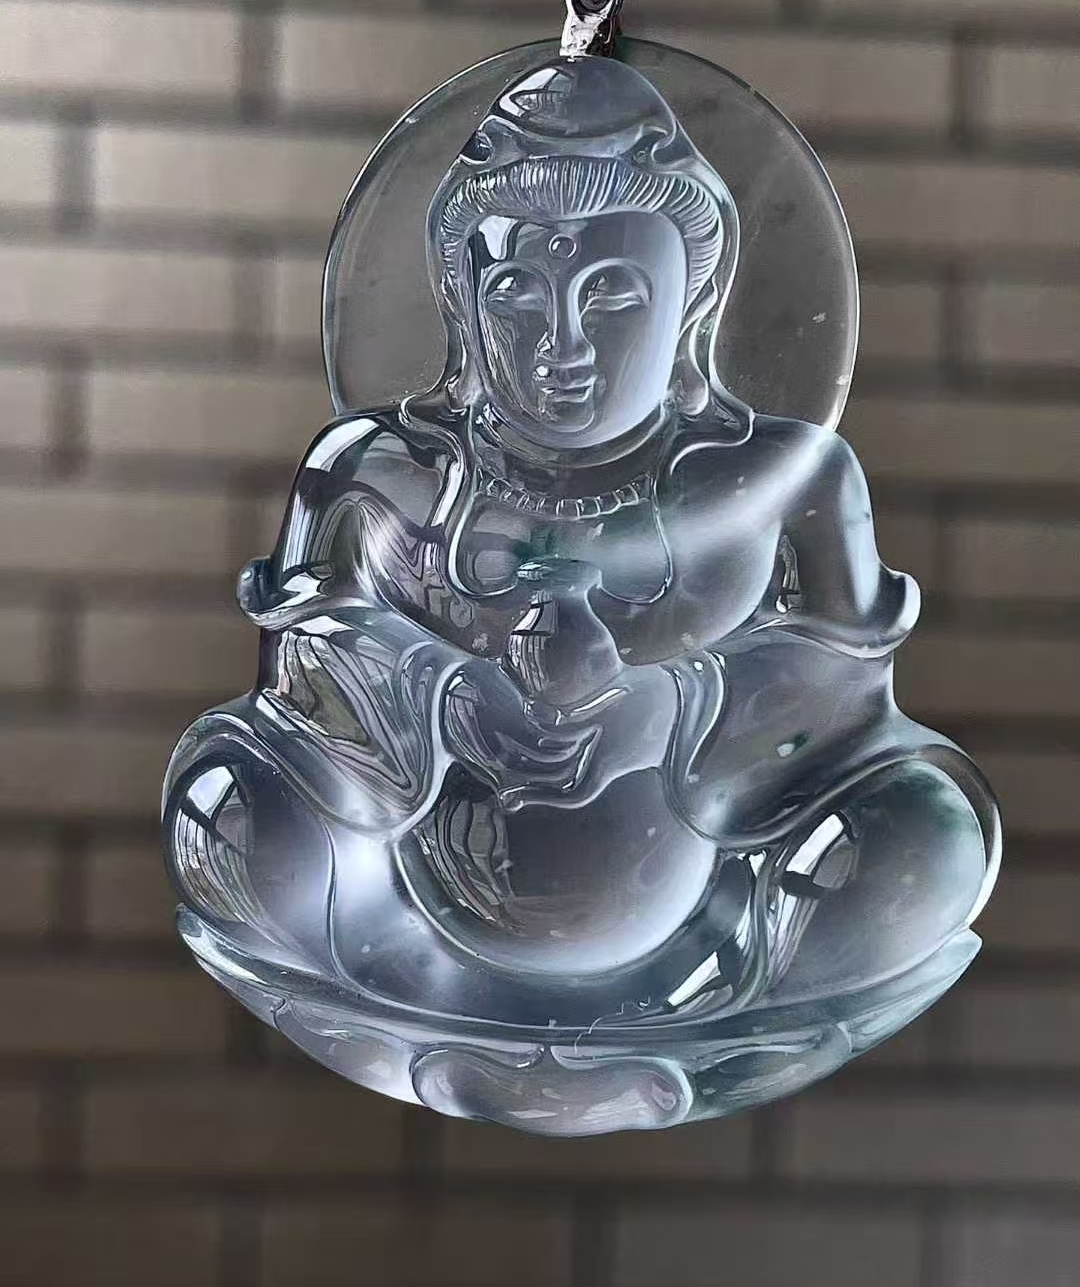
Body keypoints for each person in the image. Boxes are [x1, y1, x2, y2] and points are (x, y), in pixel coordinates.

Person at [163, 57, 998, 1132]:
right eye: (515, 291)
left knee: (929, 832)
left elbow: (844, 706)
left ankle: (724, 1002)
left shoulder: (782, 479)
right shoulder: (377, 472)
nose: (561, 345)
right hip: (412, 913)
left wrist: (664, 709)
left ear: (693, 304)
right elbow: (306, 681)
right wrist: (450, 701)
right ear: (462, 303)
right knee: (223, 796)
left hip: (710, 919)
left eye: (612, 293)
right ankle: (413, 992)